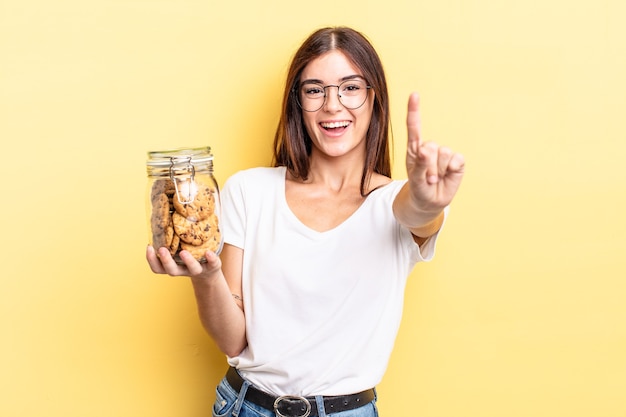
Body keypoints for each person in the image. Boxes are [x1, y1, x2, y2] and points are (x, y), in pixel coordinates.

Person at [147, 26, 464, 417]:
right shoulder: (249, 191)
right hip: (246, 406)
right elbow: (233, 341)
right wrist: (206, 277)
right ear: (298, 102)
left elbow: (415, 213)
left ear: (373, 99)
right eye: (315, 90)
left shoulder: (394, 203)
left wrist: (425, 199)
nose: (332, 105)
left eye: (350, 87)